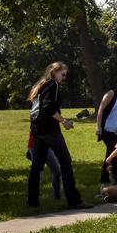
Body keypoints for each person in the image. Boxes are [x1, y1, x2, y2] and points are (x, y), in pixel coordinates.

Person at [26, 62, 90, 209]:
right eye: (63, 74)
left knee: (36, 167)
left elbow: (37, 109)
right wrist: (64, 122)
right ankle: (74, 200)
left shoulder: (40, 85)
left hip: (37, 130)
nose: (64, 77)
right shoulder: (53, 85)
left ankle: (32, 201)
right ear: (54, 72)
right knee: (66, 163)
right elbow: (48, 108)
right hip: (50, 131)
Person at [26, 132, 61, 201]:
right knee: (37, 173)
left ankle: (57, 196)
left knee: (57, 171)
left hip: (49, 146)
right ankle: (34, 198)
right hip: (35, 145)